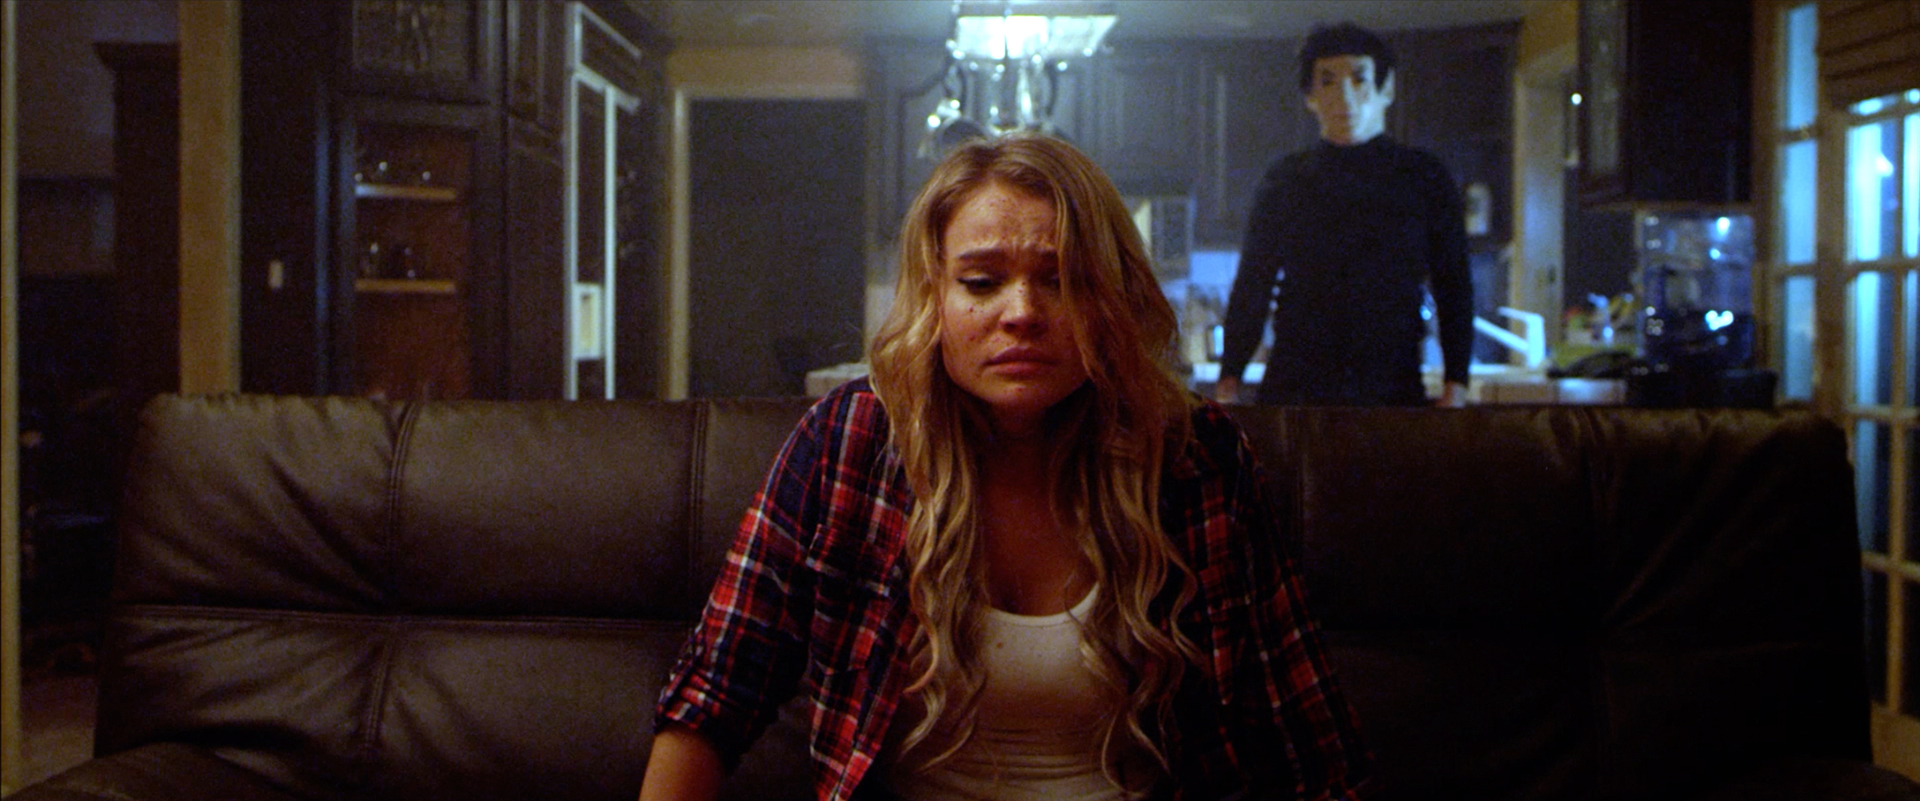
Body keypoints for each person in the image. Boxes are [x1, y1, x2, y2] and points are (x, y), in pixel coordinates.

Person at [639, 133, 1373, 801]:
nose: (1022, 311)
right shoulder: (850, 441)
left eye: (1061, 279)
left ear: (1110, 298)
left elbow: (1310, 744)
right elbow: (715, 693)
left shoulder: (1195, 457)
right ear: (934, 297)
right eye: (982, 282)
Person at [1215, 22, 1473, 407]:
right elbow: (1254, 281)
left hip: (1392, 387)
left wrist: (1457, 381)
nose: (1344, 96)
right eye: (1328, 82)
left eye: (1359, 79)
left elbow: (1453, 283)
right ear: (1310, 96)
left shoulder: (1423, 177)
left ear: (1387, 89)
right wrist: (1229, 377)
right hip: (1295, 388)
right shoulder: (1285, 179)